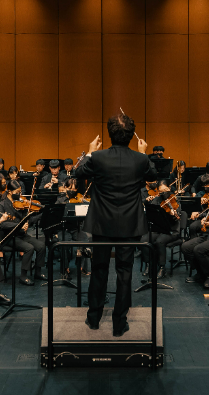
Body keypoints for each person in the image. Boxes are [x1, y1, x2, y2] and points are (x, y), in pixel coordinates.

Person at [75, 113, 157, 337]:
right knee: (125, 273)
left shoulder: (98, 157)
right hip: (130, 224)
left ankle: (93, 319)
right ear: (132, 136)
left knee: (99, 270)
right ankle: (119, 324)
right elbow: (153, 175)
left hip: (102, 223)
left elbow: (77, 172)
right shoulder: (140, 159)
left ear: (109, 134)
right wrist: (143, 152)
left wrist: (90, 151)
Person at [0, 180, 47, 285]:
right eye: (17, 192)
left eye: (20, 192)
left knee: (41, 246)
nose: (19, 194)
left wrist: (41, 215)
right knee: (29, 248)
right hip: (9, 236)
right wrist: (19, 225)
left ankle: (38, 272)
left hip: (22, 235)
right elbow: (2, 224)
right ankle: (23, 276)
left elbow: (27, 220)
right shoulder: (2, 205)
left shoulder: (20, 203)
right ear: (9, 192)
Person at [140, 180, 183, 279]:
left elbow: (178, 215)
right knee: (144, 240)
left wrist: (173, 215)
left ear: (169, 188)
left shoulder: (175, 199)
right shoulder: (157, 200)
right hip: (159, 229)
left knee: (159, 241)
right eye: (161, 191)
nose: (163, 193)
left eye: (165, 190)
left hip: (172, 230)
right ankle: (148, 264)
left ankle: (162, 268)